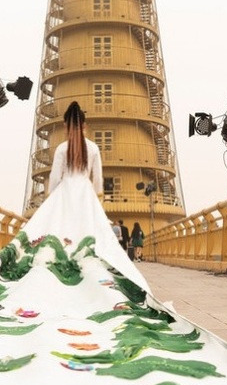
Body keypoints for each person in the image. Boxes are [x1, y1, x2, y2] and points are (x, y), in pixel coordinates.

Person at [20, 101, 146, 285]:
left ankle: (60, 268)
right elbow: (98, 180)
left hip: (65, 191)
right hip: (85, 193)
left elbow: (55, 178)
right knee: (87, 232)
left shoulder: (62, 149)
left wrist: (52, 202)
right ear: (84, 125)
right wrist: (97, 201)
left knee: (62, 232)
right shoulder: (93, 148)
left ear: (65, 125)